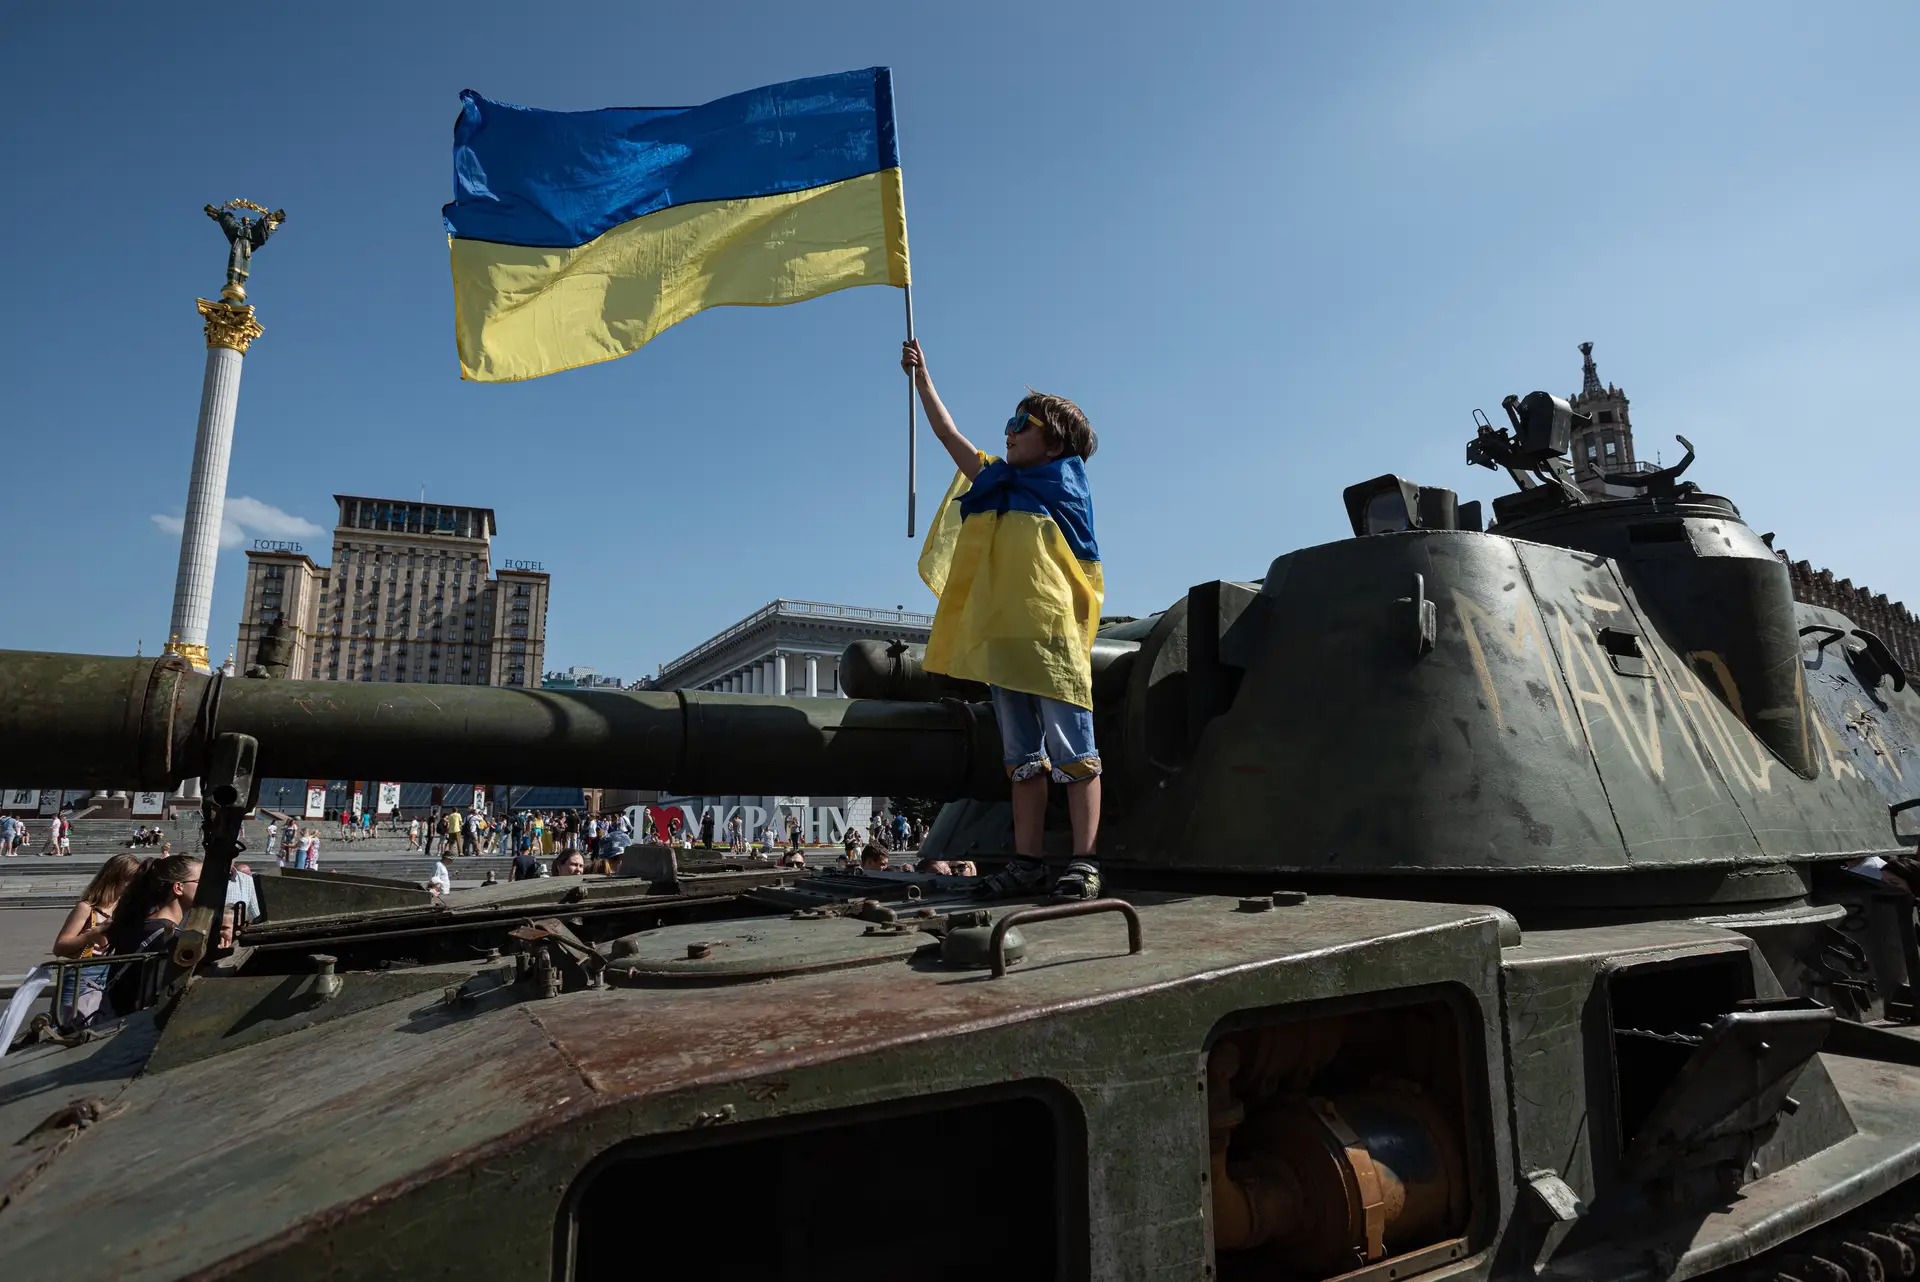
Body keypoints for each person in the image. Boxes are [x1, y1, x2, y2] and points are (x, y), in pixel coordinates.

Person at [903, 337, 1104, 902]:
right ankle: (1028, 860)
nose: (1009, 430)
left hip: (1052, 642)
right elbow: (948, 437)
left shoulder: (1064, 485)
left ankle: (1085, 862)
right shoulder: (1000, 480)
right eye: (1009, 421)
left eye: (1023, 421)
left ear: (1055, 440)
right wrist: (922, 379)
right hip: (1005, 643)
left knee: (1075, 753)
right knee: (1021, 761)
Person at [103, 853, 202, 1016]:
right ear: (178, 888)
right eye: (201, 881)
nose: (208, 886)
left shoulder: (141, 924)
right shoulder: (169, 937)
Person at [51, 852, 142, 1025]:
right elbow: (60, 947)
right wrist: (91, 935)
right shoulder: (86, 908)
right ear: (114, 878)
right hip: (83, 972)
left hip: (112, 972)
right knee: (65, 1024)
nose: (134, 886)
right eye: (130, 880)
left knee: (98, 1024)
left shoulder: (125, 909)